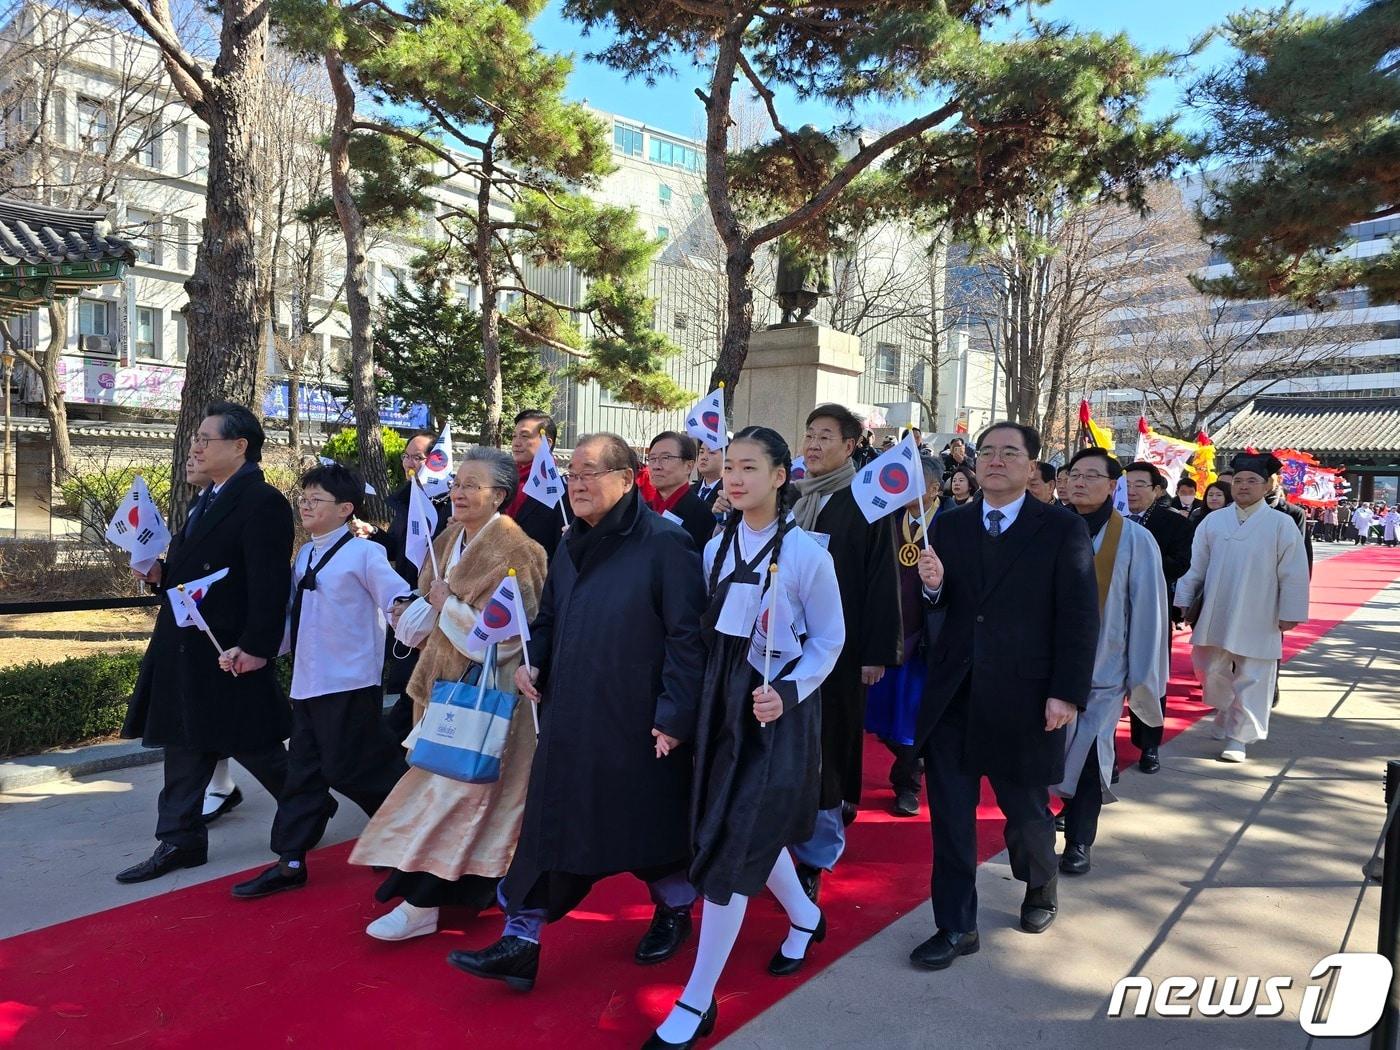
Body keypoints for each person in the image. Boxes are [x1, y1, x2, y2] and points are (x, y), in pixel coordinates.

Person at [447, 434, 707, 992]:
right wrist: (534, 662)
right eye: (573, 474)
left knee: (644, 828)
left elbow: (689, 640)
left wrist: (675, 716)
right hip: (568, 714)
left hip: (638, 718)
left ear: (625, 477)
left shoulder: (666, 543)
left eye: (591, 473)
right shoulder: (570, 543)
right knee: (553, 824)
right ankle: (522, 939)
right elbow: (549, 619)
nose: (579, 484)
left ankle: (675, 907)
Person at [645, 427, 845, 1049]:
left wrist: (785, 692)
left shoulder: (808, 553)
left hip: (775, 710)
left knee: (731, 850)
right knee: (736, 829)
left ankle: (697, 999)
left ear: (781, 476)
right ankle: (807, 917)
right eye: (728, 466)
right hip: (720, 707)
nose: (735, 478)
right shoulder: (715, 544)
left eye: (750, 467)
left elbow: (829, 640)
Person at [910, 421, 1099, 970]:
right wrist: (933, 587)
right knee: (949, 818)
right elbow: (940, 612)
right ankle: (955, 926)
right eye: (987, 452)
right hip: (955, 697)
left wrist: (1067, 692)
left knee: (1026, 813)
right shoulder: (947, 525)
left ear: (1033, 467)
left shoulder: (1061, 529)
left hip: (1025, 698)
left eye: (1009, 453)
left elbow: (1079, 617)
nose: (995, 461)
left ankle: (1040, 884)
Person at [350, 447, 548, 940]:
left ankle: (425, 903)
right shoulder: (446, 539)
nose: (458, 492)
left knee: (464, 798)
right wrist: (415, 613)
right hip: (437, 687)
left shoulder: (520, 551)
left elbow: (509, 640)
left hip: (490, 699)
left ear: (499, 495)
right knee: (447, 795)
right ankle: (446, 893)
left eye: (471, 485)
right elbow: (428, 604)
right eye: (457, 482)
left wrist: (447, 605)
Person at [117, 403, 294, 884]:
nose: (195, 446)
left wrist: (257, 646)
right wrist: (160, 573)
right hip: (189, 647)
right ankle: (180, 840)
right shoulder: (207, 499)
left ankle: (305, 812)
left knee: (259, 747)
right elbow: (197, 574)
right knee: (185, 741)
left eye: (205, 438)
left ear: (239, 446)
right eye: (196, 437)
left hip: (230, 651)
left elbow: (269, 584)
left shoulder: (262, 502)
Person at [230, 463, 411, 899]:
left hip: (350, 681)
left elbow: (397, 598)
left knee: (352, 768)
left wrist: (413, 611)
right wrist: (256, 652)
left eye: (316, 500)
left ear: (346, 509)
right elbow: (296, 618)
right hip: (308, 681)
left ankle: (406, 838)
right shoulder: (305, 554)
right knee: (303, 772)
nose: (305, 505)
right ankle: (290, 860)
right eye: (304, 497)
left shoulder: (365, 553)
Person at [787, 404, 901, 901]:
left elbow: (882, 582)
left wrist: (874, 652)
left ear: (851, 446)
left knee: (830, 743)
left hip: (842, 647)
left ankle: (819, 850)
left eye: (825, 437)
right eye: (809, 434)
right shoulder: (790, 498)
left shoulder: (865, 502)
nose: (813, 445)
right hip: (787, 645)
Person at [1054, 449, 1168, 876]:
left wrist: (1141, 675)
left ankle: (1079, 840)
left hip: (1101, 673)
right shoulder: (1047, 528)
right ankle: (1052, 818)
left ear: (1111, 485)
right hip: (1043, 670)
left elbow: (1148, 612)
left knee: (1085, 759)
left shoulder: (1135, 540)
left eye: (1090, 475)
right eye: (1073, 474)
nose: (1078, 482)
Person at [1174, 453, 1310, 763]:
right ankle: (1225, 709)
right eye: (1238, 481)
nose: (1243, 486)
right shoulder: (1214, 520)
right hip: (1217, 609)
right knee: (1209, 668)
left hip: (1260, 611)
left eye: (1251, 481)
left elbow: (1294, 571)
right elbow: (1196, 564)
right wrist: (1183, 598)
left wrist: (1290, 611)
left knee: (1254, 674)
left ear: (1266, 486)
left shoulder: (1281, 524)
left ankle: (1239, 737)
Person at [865, 457, 947, 816]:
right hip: (888, 631)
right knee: (881, 715)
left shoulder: (950, 524)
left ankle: (907, 782)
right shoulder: (885, 522)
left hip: (927, 635)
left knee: (912, 717)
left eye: (912, 482)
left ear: (932, 489)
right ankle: (913, 760)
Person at [1123, 461, 1194, 774]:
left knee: (1150, 677)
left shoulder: (1174, 523)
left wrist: (1142, 558)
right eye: (1128, 484)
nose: (1132, 490)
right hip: (1110, 608)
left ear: (1157, 490)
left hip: (1152, 608)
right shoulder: (1110, 518)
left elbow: (1180, 563)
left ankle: (1149, 745)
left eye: (1140, 484)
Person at [379, 430, 450, 740]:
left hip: (433, 603)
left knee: (416, 679)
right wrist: (374, 535)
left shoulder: (448, 505)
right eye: (407, 456)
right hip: (406, 598)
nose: (410, 463)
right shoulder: (408, 499)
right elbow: (398, 547)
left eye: (418, 457)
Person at [504, 409, 570, 560]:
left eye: (525, 436)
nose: (516, 442)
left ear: (547, 442)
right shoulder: (500, 484)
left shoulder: (560, 490)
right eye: (514, 436)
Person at [646, 431, 719, 553]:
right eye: (652, 459)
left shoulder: (705, 515)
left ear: (689, 466)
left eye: (665, 458)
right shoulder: (641, 510)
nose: (656, 466)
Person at [691, 443, 725, 511]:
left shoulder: (727, 494)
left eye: (711, 452)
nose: (703, 457)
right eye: (701, 452)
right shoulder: (689, 490)